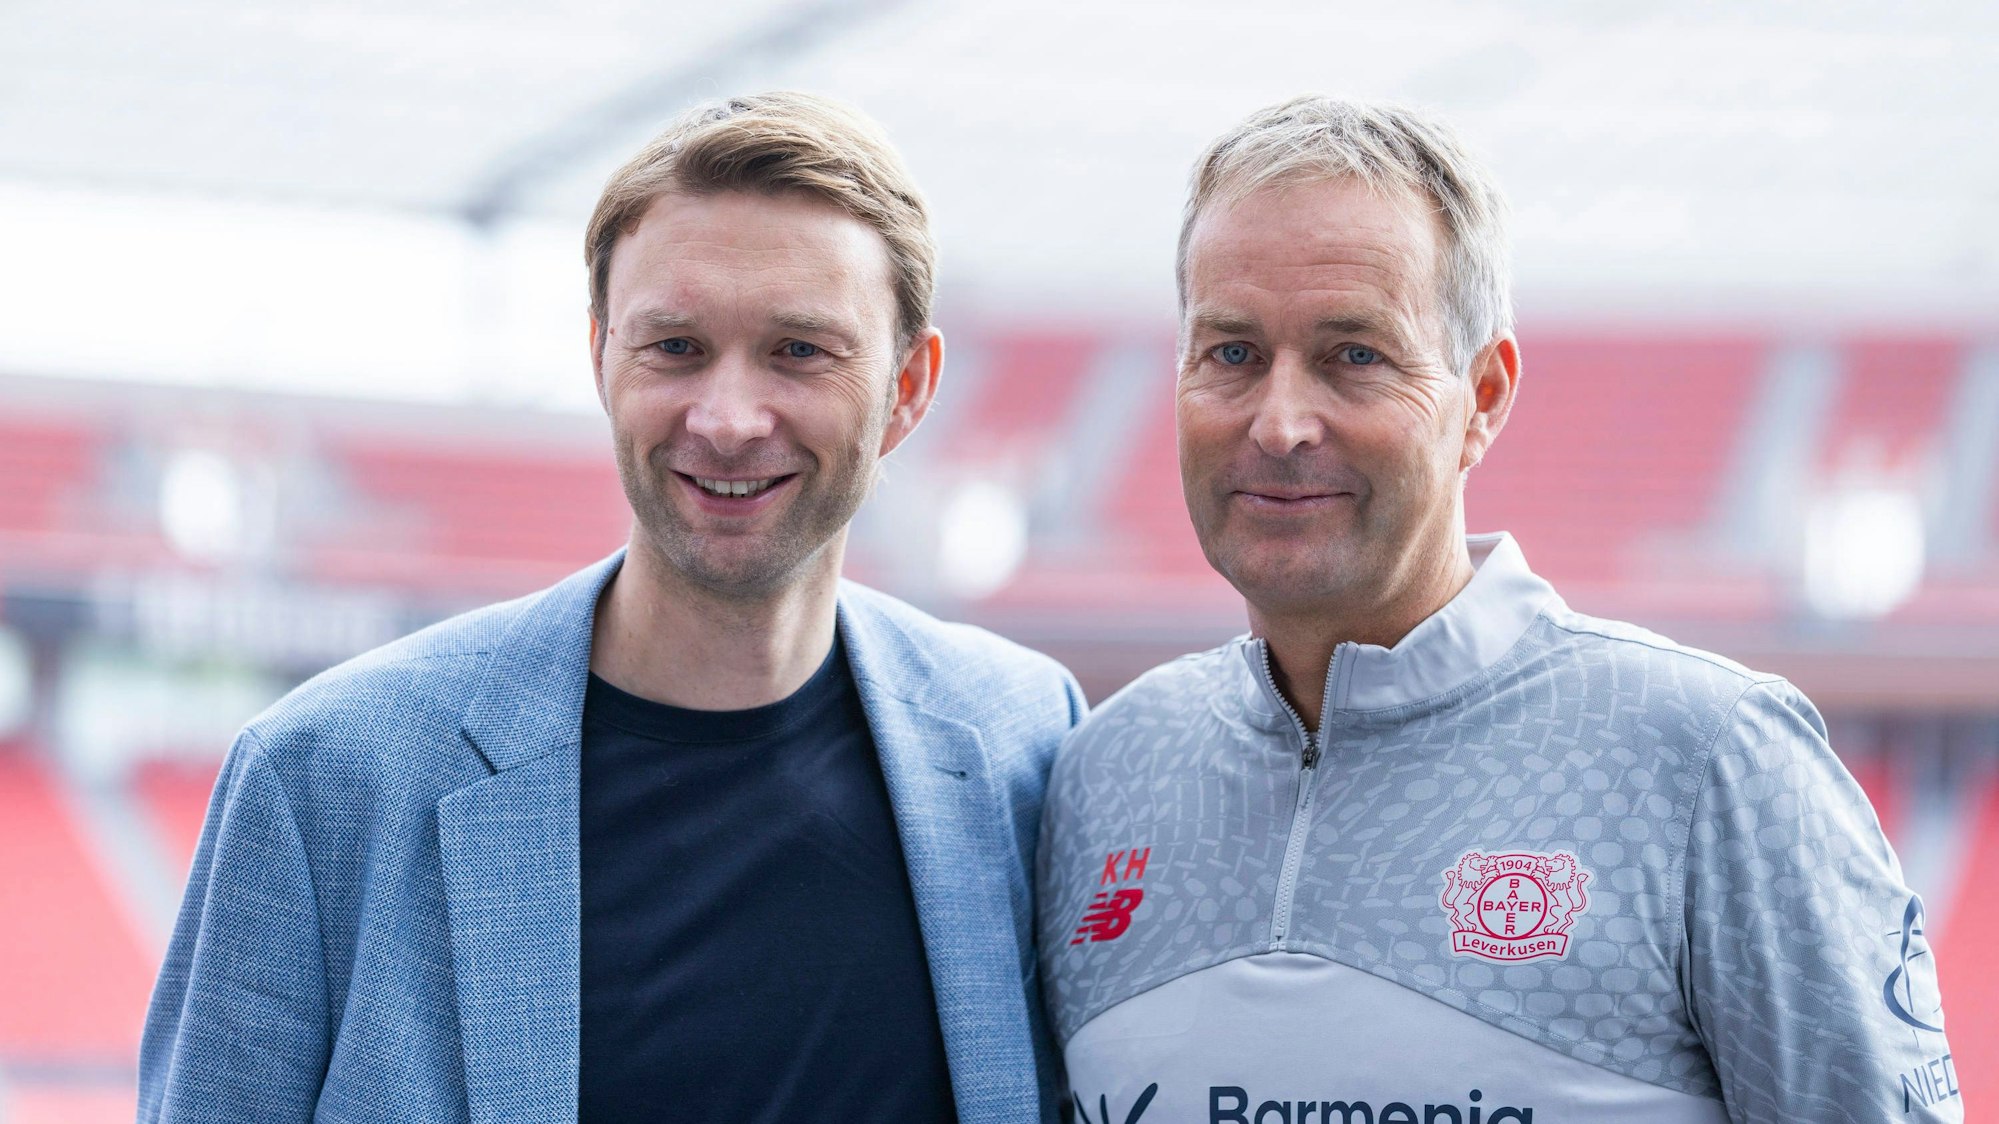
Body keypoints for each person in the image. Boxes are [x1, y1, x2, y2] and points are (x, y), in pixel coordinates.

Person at [140, 91, 1081, 1124]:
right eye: (674, 346)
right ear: (600, 355)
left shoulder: (1022, 737)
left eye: (800, 350)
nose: (727, 419)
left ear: (909, 385)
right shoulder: (326, 777)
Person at [1037, 95, 1959, 1124]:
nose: (1281, 421)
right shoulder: (1100, 774)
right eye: (1232, 353)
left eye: (1355, 355)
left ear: (1483, 396)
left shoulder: (1710, 760)